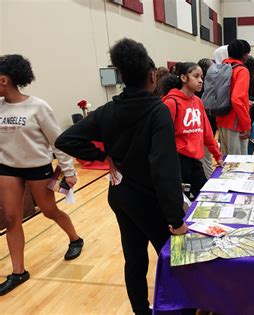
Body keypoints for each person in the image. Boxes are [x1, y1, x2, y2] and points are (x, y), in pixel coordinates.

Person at [55, 38, 188, 314]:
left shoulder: (108, 110)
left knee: (134, 259)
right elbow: (165, 170)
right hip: (150, 201)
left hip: (121, 196)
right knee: (175, 258)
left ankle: (141, 310)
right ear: (152, 76)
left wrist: (103, 157)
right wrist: (176, 219)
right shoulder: (157, 111)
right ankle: (179, 308)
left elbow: (66, 139)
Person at [0, 54, 83, 295]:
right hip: (7, 167)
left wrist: (68, 171)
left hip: (38, 167)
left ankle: (75, 238)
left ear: (4, 79)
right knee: (11, 219)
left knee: (49, 211)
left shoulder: (38, 106)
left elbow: (59, 141)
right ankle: (18, 272)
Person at [161, 62, 223, 199]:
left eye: (202, 76)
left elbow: (207, 131)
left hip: (195, 160)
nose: (201, 80)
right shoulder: (171, 103)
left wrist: (217, 155)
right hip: (179, 162)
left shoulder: (198, 101)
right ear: (183, 78)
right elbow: (162, 138)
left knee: (204, 197)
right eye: (196, 76)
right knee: (185, 202)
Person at [216, 39, 251, 155]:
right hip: (235, 122)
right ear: (245, 55)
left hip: (221, 118)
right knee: (239, 163)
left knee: (227, 161)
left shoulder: (220, 68)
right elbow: (236, 99)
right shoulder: (241, 70)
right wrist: (246, 124)